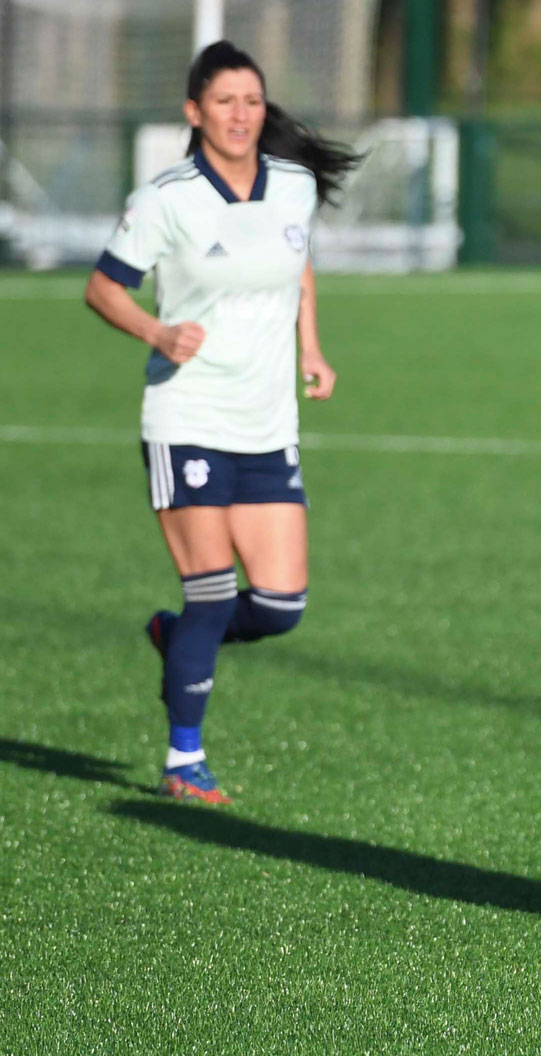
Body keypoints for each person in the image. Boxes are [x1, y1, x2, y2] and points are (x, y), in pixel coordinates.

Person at [82, 40, 361, 803]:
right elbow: (104, 288)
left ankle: (175, 641)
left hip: (268, 423)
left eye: (252, 101)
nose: (241, 115)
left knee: (278, 607)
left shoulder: (294, 186)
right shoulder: (165, 198)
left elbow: (295, 260)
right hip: (188, 415)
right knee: (210, 593)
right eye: (225, 102)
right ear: (195, 111)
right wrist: (158, 333)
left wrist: (312, 347)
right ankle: (183, 760)